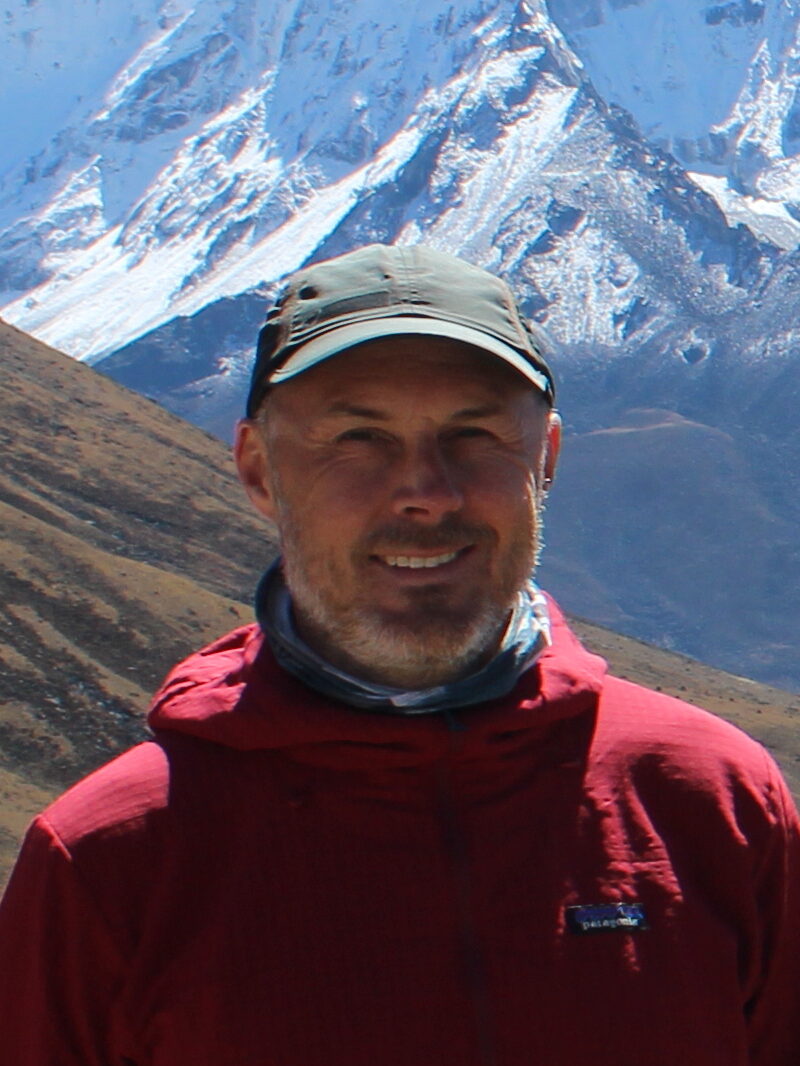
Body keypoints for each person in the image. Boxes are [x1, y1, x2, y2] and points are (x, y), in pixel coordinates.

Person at [0, 244, 798, 1066]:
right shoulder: (110, 862)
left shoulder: (710, 801)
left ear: (546, 461)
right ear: (258, 470)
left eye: (474, 434)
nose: (427, 490)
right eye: (359, 437)